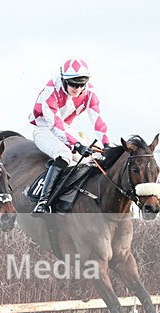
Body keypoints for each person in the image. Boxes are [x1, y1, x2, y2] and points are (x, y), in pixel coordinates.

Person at [29, 58, 111, 214]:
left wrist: (107, 144)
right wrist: (77, 145)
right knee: (65, 154)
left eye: (81, 84)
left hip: (66, 128)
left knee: (89, 160)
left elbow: (98, 121)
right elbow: (55, 125)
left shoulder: (90, 94)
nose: (77, 88)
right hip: (44, 128)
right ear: (64, 79)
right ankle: (43, 202)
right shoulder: (50, 90)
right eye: (73, 83)